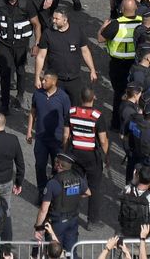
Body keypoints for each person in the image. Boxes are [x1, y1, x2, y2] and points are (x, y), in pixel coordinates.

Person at [0, 0, 41, 112]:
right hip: (4, 43)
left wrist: (37, 44)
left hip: (21, 43)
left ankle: (20, 96)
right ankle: (4, 103)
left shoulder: (26, 3)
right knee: (5, 71)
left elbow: (36, 24)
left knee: (20, 70)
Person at [62, 87, 109, 230]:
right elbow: (103, 140)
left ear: (80, 98)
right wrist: (105, 157)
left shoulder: (71, 112)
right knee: (94, 187)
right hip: (91, 156)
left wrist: (65, 151)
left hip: (75, 153)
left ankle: (68, 214)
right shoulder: (97, 116)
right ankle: (92, 221)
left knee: (72, 184)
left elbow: (65, 135)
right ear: (93, 98)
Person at [35, 6, 97, 105]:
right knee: (55, 106)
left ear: (65, 20)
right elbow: (41, 56)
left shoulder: (76, 31)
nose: (53, 21)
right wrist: (37, 77)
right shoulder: (47, 33)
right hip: (56, 79)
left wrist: (92, 69)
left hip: (74, 79)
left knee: (75, 106)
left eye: (57, 19)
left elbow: (85, 51)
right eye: (53, 18)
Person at [98, 0, 143, 130]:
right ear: (136, 8)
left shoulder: (116, 24)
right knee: (137, 92)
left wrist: (103, 27)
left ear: (122, 9)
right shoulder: (141, 21)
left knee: (119, 94)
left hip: (118, 65)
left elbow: (100, 39)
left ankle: (116, 124)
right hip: (136, 64)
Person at [33, 153, 90, 254]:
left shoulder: (53, 183)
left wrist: (38, 227)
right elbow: (88, 193)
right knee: (71, 252)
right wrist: (74, 196)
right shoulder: (77, 178)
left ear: (59, 165)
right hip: (72, 221)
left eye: (56, 162)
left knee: (54, 252)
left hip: (57, 223)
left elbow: (43, 210)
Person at [27, 70, 71, 194]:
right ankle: (42, 190)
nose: (42, 82)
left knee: (58, 169)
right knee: (40, 166)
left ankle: (54, 193)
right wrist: (29, 131)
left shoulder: (63, 98)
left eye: (46, 80)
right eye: (43, 79)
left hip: (57, 141)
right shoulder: (38, 94)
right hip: (41, 138)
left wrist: (66, 140)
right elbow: (33, 112)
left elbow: (68, 120)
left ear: (54, 81)